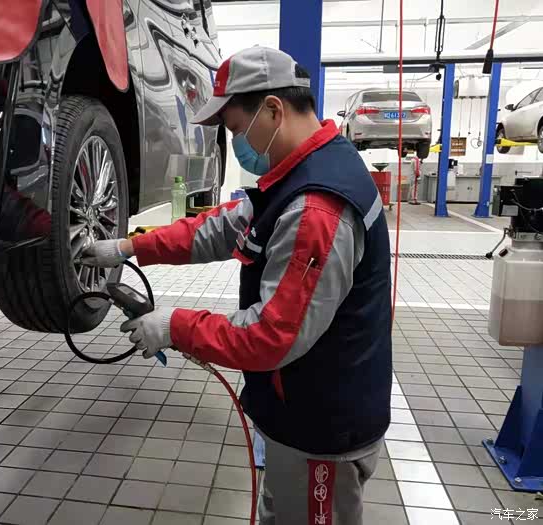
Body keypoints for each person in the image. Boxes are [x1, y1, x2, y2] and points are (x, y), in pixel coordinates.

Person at [80, 47, 392, 525]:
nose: (236, 143)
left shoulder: (315, 209)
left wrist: (174, 327)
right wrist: (128, 247)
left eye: (235, 128)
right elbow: (218, 228)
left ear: (273, 110)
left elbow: (270, 336)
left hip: (321, 432)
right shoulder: (306, 169)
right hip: (297, 413)